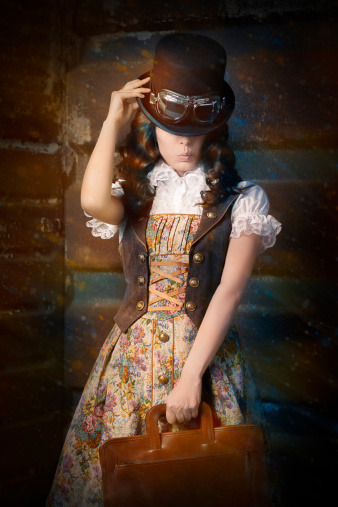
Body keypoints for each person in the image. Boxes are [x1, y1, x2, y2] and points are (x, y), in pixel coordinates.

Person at [47, 33, 282, 506]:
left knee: (205, 479)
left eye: (198, 133)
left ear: (214, 131)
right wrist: (113, 119)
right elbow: (92, 199)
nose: (186, 144)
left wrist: (192, 375)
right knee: (123, 481)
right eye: (173, 131)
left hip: (205, 356)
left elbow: (229, 291)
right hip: (131, 359)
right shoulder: (139, 193)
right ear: (151, 125)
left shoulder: (242, 199)